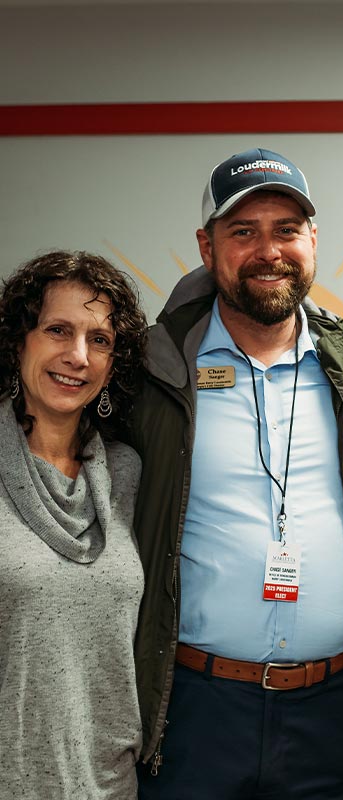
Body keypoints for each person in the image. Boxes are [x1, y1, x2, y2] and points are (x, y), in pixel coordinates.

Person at [130, 147, 343, 800]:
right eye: (243, 232)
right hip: (193, 710)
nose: (268, 250)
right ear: (207, 246)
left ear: (313, 239)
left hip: (330, 714)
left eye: (286, 229)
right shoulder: (152, 371)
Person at [0, 250, 148, 799]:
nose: (78, 356)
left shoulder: (128, 473)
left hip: (109, 784)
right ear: (20, 341)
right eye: (58, 330)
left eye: (100, 340)